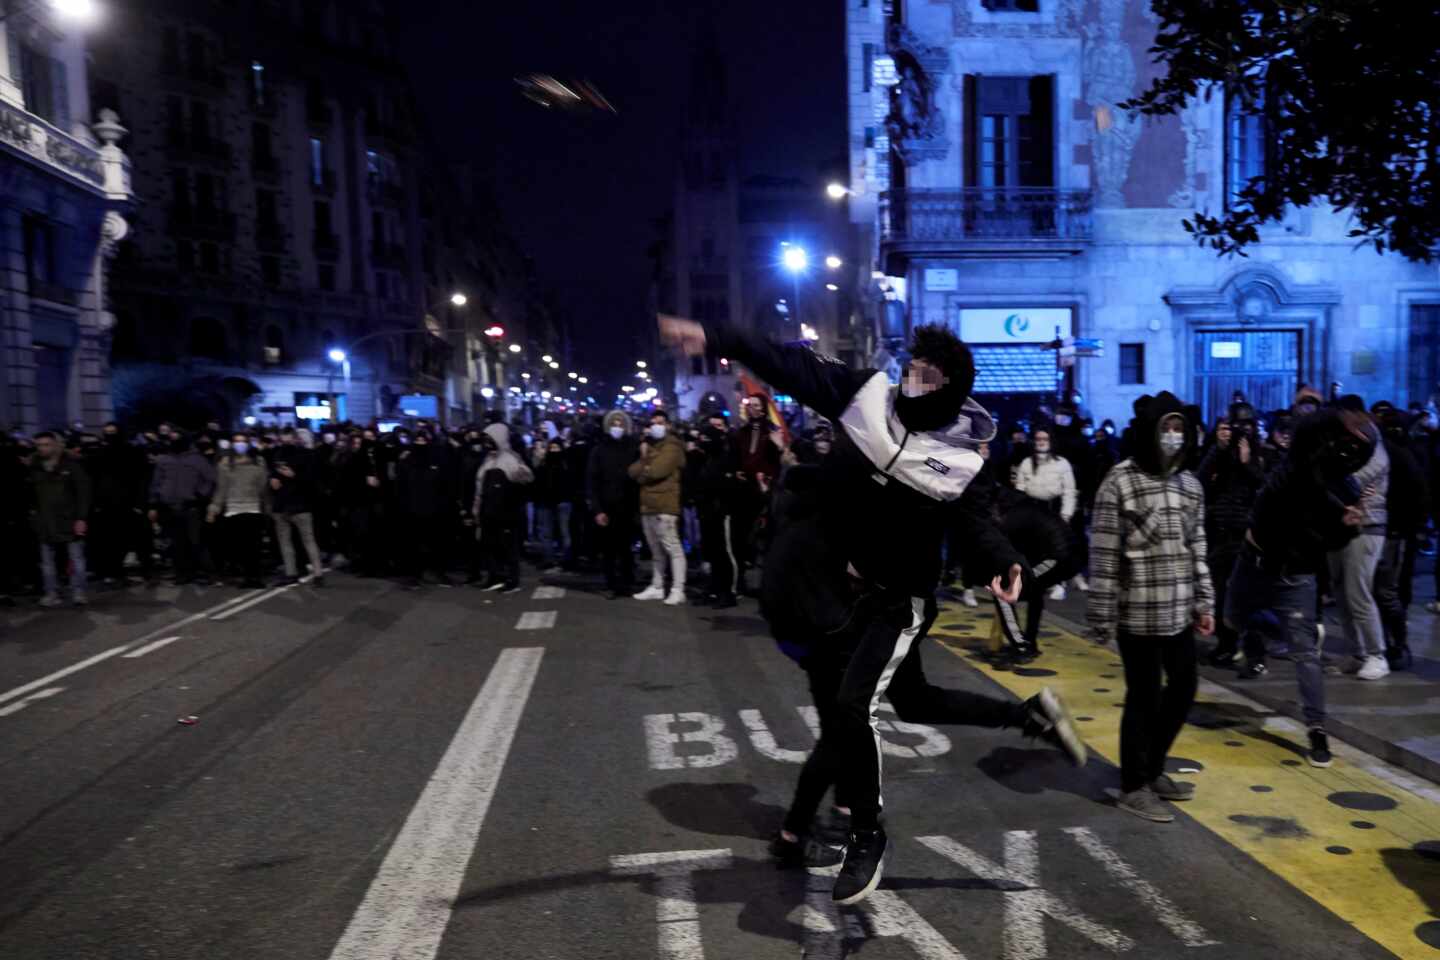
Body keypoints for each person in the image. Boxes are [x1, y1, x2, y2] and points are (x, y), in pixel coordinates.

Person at [660, 314, 1086, 906]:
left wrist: (1003, 563)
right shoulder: (865, 397)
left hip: (899, 601)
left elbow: (974, 527)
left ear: (950, 390)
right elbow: (792, 363)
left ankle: (866, 833)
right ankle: (1029, 717)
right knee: (912, 701)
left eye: (927, 376)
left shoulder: (960, 462)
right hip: (845, 594)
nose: (911, 380)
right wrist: (719, 336)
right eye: (910, 368)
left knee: (850, 706)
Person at [1087, 392, 1215, 824]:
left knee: (1183, 690)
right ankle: (1133, 785)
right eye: (1166, 428)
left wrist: (1204, 600)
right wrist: (1100, 617)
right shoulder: (1119, 482)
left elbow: (1197, 545)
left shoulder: (1190, 484)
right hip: (1137, 612)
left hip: (1179, 610)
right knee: (1143, 696)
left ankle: (1153, 766)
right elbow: (1104, 556)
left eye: (1180, 428)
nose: (1174, 436)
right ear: (1150, 431)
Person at [1225, 407, 1374, 769]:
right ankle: (1276, 633)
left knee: (1304, 654)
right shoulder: (1296, 465)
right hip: (1254, 561)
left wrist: (1349, 525)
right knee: (1233, 619)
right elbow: (1308, 430)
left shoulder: (1344, 488)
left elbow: (1334, 541)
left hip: (1296, 573)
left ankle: (1317, 729)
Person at [1198, 403, 1271, 677]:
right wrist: (1219, 447)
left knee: (1249, 598)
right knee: (1218, 593)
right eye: (1235, 426)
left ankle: (1255, 653)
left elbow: (1267, 487)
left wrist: (1247, 463)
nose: (1242, 431)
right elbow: (1200, 481)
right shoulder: (1219, 453)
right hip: (1220, 534)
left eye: (1246, 426)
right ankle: (1226, 645)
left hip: (1249, 537)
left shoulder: (1261, 454)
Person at [1326, 397, 1390, 679]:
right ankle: (1356, 652)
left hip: (1368, 525)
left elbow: (1352, 480)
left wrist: (1336, 484)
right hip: (1338, 526)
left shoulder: (1374, 448)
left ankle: (1377, 654)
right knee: (1341, 593)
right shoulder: (1339, 443)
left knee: (1358, 591)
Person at [1372, 404, 1428, 671]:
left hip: (1395, 532)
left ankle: (1395, 643)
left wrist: (1410, 528)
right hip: (1391, 530)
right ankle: (1387, 641)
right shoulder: (1396, 454)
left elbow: (1417, 496)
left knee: (1387, 591)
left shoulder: (1402, 456)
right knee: (1386, 590)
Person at [629, 410, 688, 605]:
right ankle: (657, 586)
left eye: (660, 422)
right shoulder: (650, 447)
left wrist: (645, 462)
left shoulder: (672, 446)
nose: (656, 426)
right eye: (653, 422)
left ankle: (678, 589)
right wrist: (645, 463)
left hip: (665, 505)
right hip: (648, 505)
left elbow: (657, 470)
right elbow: (632, 472)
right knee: (656, 550)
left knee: (673, 548)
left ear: (668, 425)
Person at [28, 431, 92, 607]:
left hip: (69, 519)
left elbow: (83, 493)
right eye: (39, 445)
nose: (42, 448)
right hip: (45, 521)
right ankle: (51, 592)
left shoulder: (72, 465)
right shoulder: (34, 467)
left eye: (46, 444)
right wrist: (34, 516)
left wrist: (81, 518)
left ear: (56, 445)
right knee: (47, 562)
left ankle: (78, 592)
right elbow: (29, 495)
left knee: (76, 558)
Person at [1014, 426, 1078, 600]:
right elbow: (1019, 489)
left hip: (1053, 509)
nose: (1041, 442)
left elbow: (1069, 490)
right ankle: (1036, 583)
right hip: (1032, 510)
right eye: (1038, 439)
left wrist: (1066, 514)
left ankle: (1058, 584)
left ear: (1051, 441)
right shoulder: (1027, 462)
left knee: (1056, 550)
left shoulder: (1062, 463)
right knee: (1034, 549)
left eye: (1045, 439)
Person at [473, 422, 534, 593]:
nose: (487, 443)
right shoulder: (488, 460)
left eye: (490, 439)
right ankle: (494, 577)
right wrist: (477, 510)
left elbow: (526, 479)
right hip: (488, 512)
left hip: (506, 513)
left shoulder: (510, 459)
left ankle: (512, 579)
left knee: (508, 549)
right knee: (490, 546)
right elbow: (480, 487)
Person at [148, 433, 216, 585]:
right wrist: (154, 503)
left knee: (196, 541)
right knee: (177, 543)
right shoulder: (164, 460)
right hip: (170, 507)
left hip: (191, 506)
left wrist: (200, 495)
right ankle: (182, 573)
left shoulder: (197, 460)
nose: (174, 442)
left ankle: (206, 572)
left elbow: (210, 480)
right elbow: (156, 483)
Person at [588, 411, 640, 598]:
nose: (617, 427)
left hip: (627, 506)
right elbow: (592, 481)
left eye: (620, 424)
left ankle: (626, 582)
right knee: (608, 549)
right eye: (613, 424)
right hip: (607, 506)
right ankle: (611, 583)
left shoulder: (633, 448)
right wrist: (598, 509)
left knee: (626, 548)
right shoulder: (599, 450)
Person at [208, 434, 269, 588]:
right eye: (237, 442)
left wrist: (267, 507)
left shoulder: (258, 462)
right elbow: (221, 489)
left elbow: (263, 487)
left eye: (243, 441)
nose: (240, 444)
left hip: (253, 508)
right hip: (233, 509)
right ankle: (247, 576)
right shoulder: (225, 464)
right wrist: (214, 508)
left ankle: (255, 577)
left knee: (254, 546)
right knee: (239, 547)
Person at [267, 426, 325, 587]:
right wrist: (273, 480)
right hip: (281, 503)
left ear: (295, 438)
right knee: (285, 541)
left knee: (308, 540)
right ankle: (290, 572)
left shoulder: (306, 455)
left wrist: (294, 476)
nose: (286, 441)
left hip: (300, 504)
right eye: (283, 438)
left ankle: (318, 574)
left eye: (288, 438)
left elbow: (312, 480)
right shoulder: (278, 454)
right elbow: (272, 473)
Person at [694, 413, 740, 608]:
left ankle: (729, 592)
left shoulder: (728, 454)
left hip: (723, 511)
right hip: (708, 511)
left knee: (724, 553)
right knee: (712, 552)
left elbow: (726, 484)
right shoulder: (706, 458)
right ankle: (713, 589)